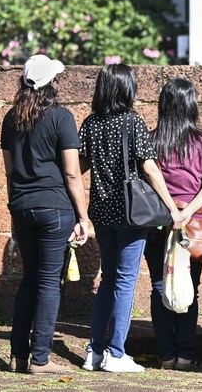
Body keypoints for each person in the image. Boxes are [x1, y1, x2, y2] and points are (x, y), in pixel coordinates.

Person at [79, 64, 181, 374]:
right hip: (130, 213)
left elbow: (80, 165)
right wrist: (171, 208)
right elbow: (150, 169)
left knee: (108, 280)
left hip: (101, 210)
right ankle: (116, 352)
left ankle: (94, 351)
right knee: (125, 282)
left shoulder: (90, 124)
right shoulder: (132, 122)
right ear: (127, 89)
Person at [1, 54, 89, 374]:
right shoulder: (62, 118)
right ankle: (40, 358)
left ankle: (18, 355)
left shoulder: (10, 119)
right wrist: (83, 217)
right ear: (51, 84)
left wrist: (15, 210)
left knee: (29, 280)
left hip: (22, 207)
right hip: (55, 209)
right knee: (50, 284)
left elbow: (10, 174)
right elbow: (71, 174)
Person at [143, 78, 202, 370]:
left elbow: (144, 182)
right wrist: (188, 211)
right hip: (194, 227)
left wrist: (172, 211)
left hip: (157, 226)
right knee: (191, 287)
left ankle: (166, 355)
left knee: (158, 287)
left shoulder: (152, 140)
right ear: (192, 105)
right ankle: (185, 355)